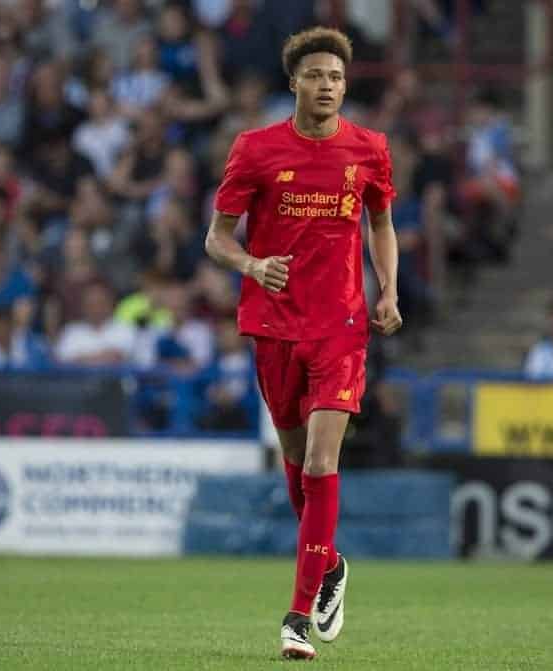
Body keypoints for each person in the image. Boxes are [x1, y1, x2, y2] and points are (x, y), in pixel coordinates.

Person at [204, 27, 402, 660]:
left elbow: (382, 222)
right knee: (297, 463)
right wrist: (252, 266)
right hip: (272, 324)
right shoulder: (256, 150)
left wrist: (389, 290)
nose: (328, 87)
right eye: (316, 75)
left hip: (340, 327)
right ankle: (331, 566)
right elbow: (217, 237)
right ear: (294, 81)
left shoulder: (369, 149)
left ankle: (296, 617)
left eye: (338, 78)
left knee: (321, 464)